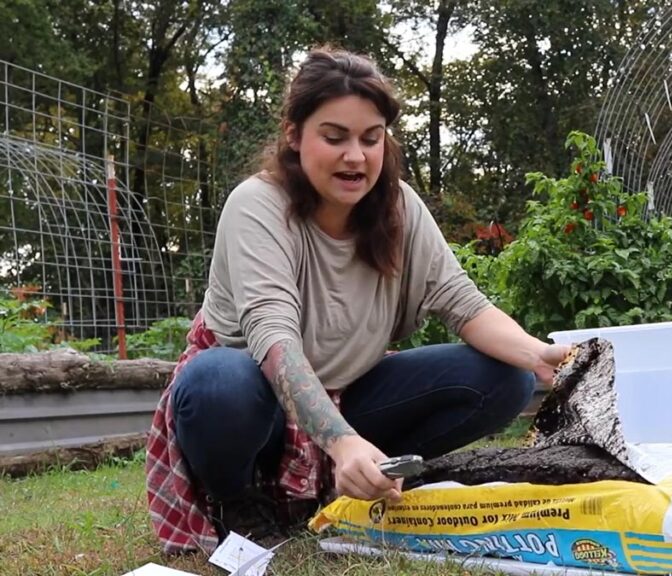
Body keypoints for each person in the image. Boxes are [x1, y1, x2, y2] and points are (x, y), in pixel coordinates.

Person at [144, 46, 571, 555]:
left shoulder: (399, 208)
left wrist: (541, 357)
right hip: (258, 406)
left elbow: (462, 302)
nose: (356, 156)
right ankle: (242, 499)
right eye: (335, 137)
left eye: (371, 139)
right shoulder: (257, 206)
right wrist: (339, 440)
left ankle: (369, 474)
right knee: (218, 382)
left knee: (506, 377)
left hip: (352, 394)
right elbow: (273, 335)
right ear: (294, 135)